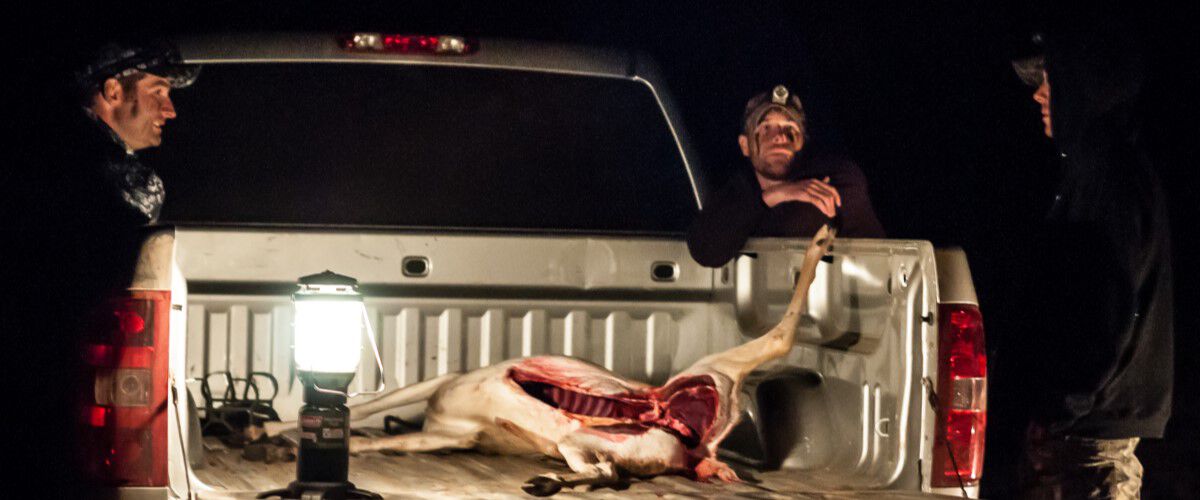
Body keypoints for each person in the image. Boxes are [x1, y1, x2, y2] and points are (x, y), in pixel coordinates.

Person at [14, 39, 199, 494]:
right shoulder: (108, 181)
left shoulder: (37, 157)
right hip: (53, 424)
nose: (170, 109)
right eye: (158, 90)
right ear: (113, 91)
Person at [1010, 29, 1172, 499]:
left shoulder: (1107, 175)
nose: (1039, 93)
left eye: (1052, 79)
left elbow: (1104, 304)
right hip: (1085, 438)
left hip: (1088, 448)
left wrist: (1059, 407)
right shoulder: (1099, 168)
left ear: (1085, 87)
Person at [686, 85, 884, 267]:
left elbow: (877, 257)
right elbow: (705, 252)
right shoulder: (735, 191)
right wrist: (776, 195)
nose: (780, 136)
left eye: (790, 129)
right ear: (745, 145)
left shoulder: (836, 179)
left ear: (802, 143)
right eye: (765, 129)